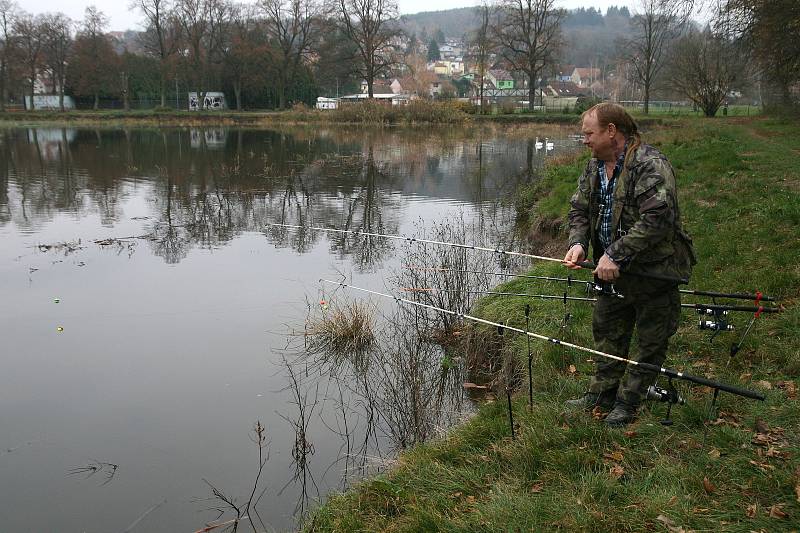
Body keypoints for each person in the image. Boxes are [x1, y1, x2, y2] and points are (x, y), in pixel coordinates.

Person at [563, 103, 696, 427]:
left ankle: (629, 401)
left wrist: (615, 254)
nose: (585, 141)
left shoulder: (650, 165)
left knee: (651, 340)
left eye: (589, 134)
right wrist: (579, 243)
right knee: (607, 331)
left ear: (612, 131)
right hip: (611, 273)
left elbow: (658, 220)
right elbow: (579, 209)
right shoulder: (594, 167)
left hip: (655, 271)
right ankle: (602, 393)